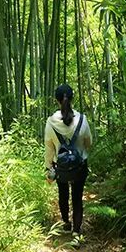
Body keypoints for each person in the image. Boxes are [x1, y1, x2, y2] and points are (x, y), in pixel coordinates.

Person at [44, 84, 92, 238]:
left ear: (56, 100)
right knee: (77, 197)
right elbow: (88, 143)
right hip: (80, 165)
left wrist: (48, 167)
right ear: (72, 98)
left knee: (63, 194)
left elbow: (49, 149)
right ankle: (76, 232)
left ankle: (66, 223)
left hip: (61, 166)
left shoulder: (50, 122)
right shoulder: (82, 119)